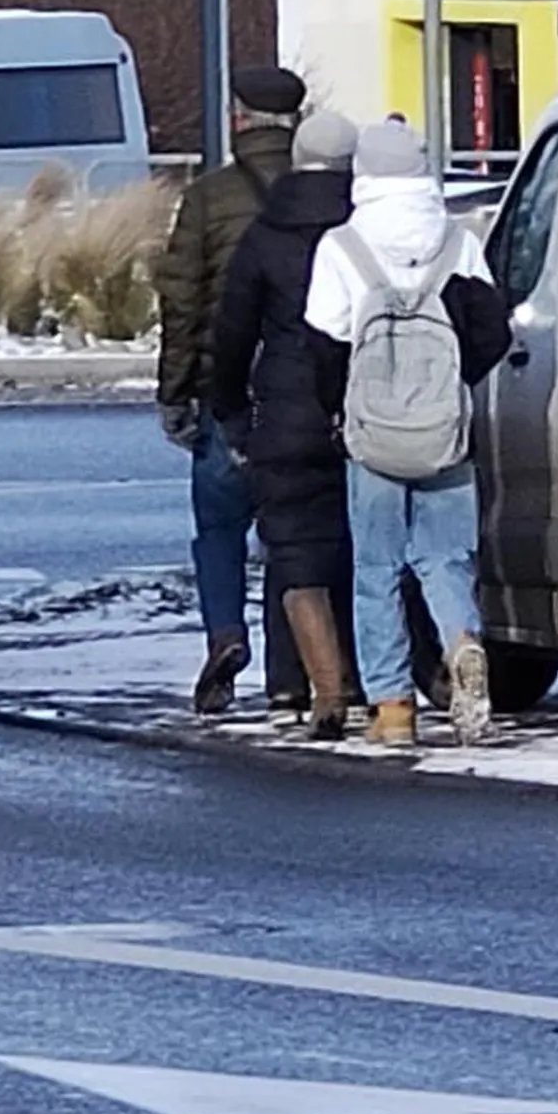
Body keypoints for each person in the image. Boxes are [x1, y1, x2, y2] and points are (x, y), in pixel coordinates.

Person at [303, 120, 508, 749]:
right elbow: (492, 332)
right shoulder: (457, 241)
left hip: (373, 435)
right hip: (444, 431)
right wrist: (452, 389)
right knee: (447, 559)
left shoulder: (342, 246)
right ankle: (462, 642)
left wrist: (341, 412)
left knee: (376, 569)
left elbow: (323, 343)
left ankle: (392, 709)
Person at [154, 63, 306, 716]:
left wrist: (175, 389)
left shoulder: (207, 198)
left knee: (219, 526)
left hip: (227, 388)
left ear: (238, 118)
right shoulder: (324, 193)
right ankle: (289, 672)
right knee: (292, 534)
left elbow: (182, 301)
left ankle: (224, 634)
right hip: (303, 390)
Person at [209, 110, 360, 741]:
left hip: (285, 408)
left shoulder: (266, 235)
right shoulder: (365, 227)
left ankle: (291, 685)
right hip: (362, 404)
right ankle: (361, 677)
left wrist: (231, 409)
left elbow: (233, 332)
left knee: (292, 550)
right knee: (358, 545)